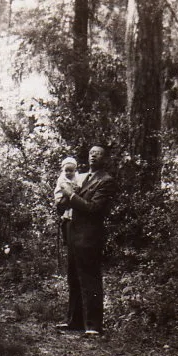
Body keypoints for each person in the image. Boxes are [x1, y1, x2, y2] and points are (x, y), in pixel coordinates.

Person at [56, 144, 116, 338]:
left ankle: (93, 325)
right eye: (91, 153)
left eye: (98, 154)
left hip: (90, 236)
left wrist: (71, 195)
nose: (93, 156)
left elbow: (93, 208)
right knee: (74, 277)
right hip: (73, 234)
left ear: (105, 159)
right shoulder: (79, 177)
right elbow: (63, 204)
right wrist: (64, 198)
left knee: (90, 278)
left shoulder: (106, 181)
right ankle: (75, 321)